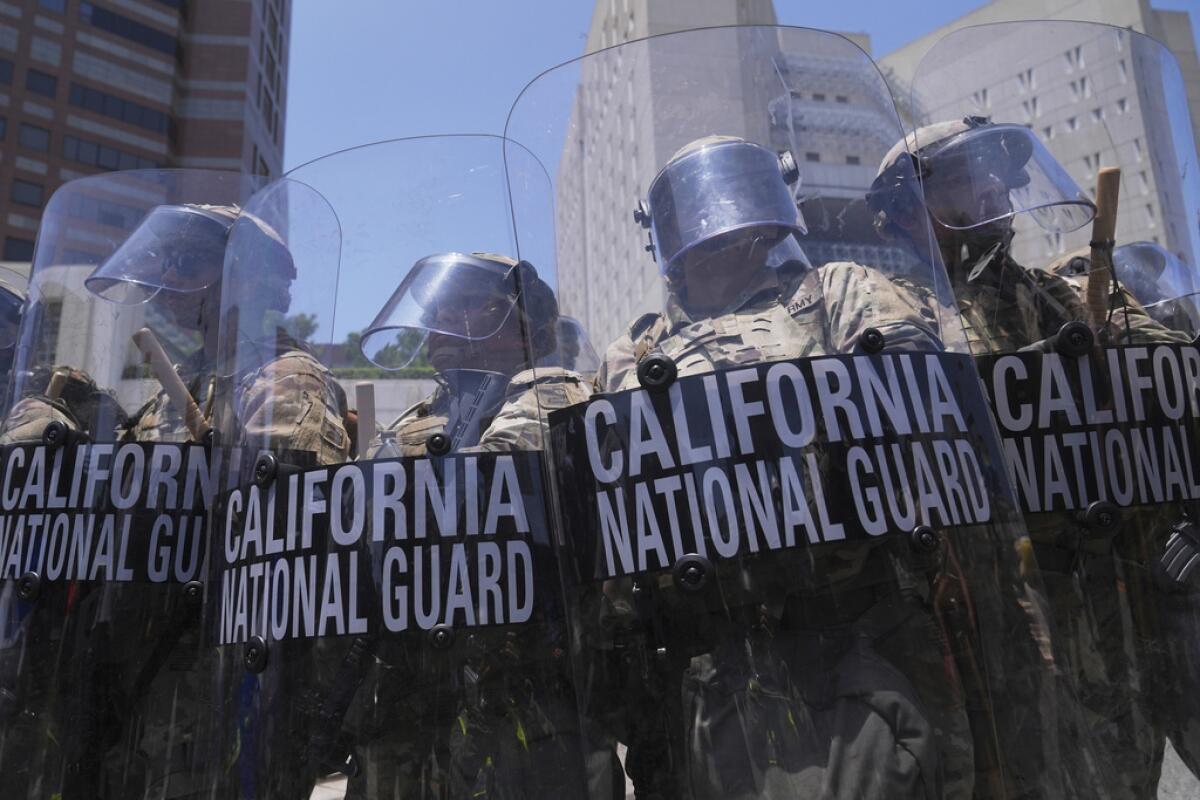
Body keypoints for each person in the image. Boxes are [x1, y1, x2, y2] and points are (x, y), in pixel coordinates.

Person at [593, 134, 1050, 799]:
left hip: (852, 635)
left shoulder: (837, 290)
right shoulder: (631, 353)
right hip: (707, 657)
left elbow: (917, 394)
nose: (722, 220)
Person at [869, 115, 1194, 798]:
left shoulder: (1067, 294)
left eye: (998, 172)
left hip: (1109, 608)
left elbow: (1174, 378)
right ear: (905, 208)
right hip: (986, 631)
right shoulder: (886, 318)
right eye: (967, 174)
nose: (994, 187)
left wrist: (1117, 346)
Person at [347, 251, 614, 799]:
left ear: (520, 319)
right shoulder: (423, 414)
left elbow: (493, 491)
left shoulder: (555, 394)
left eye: (466, 304)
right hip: (415, 700)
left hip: (524, 705)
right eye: (439, 305)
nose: (442, 319)